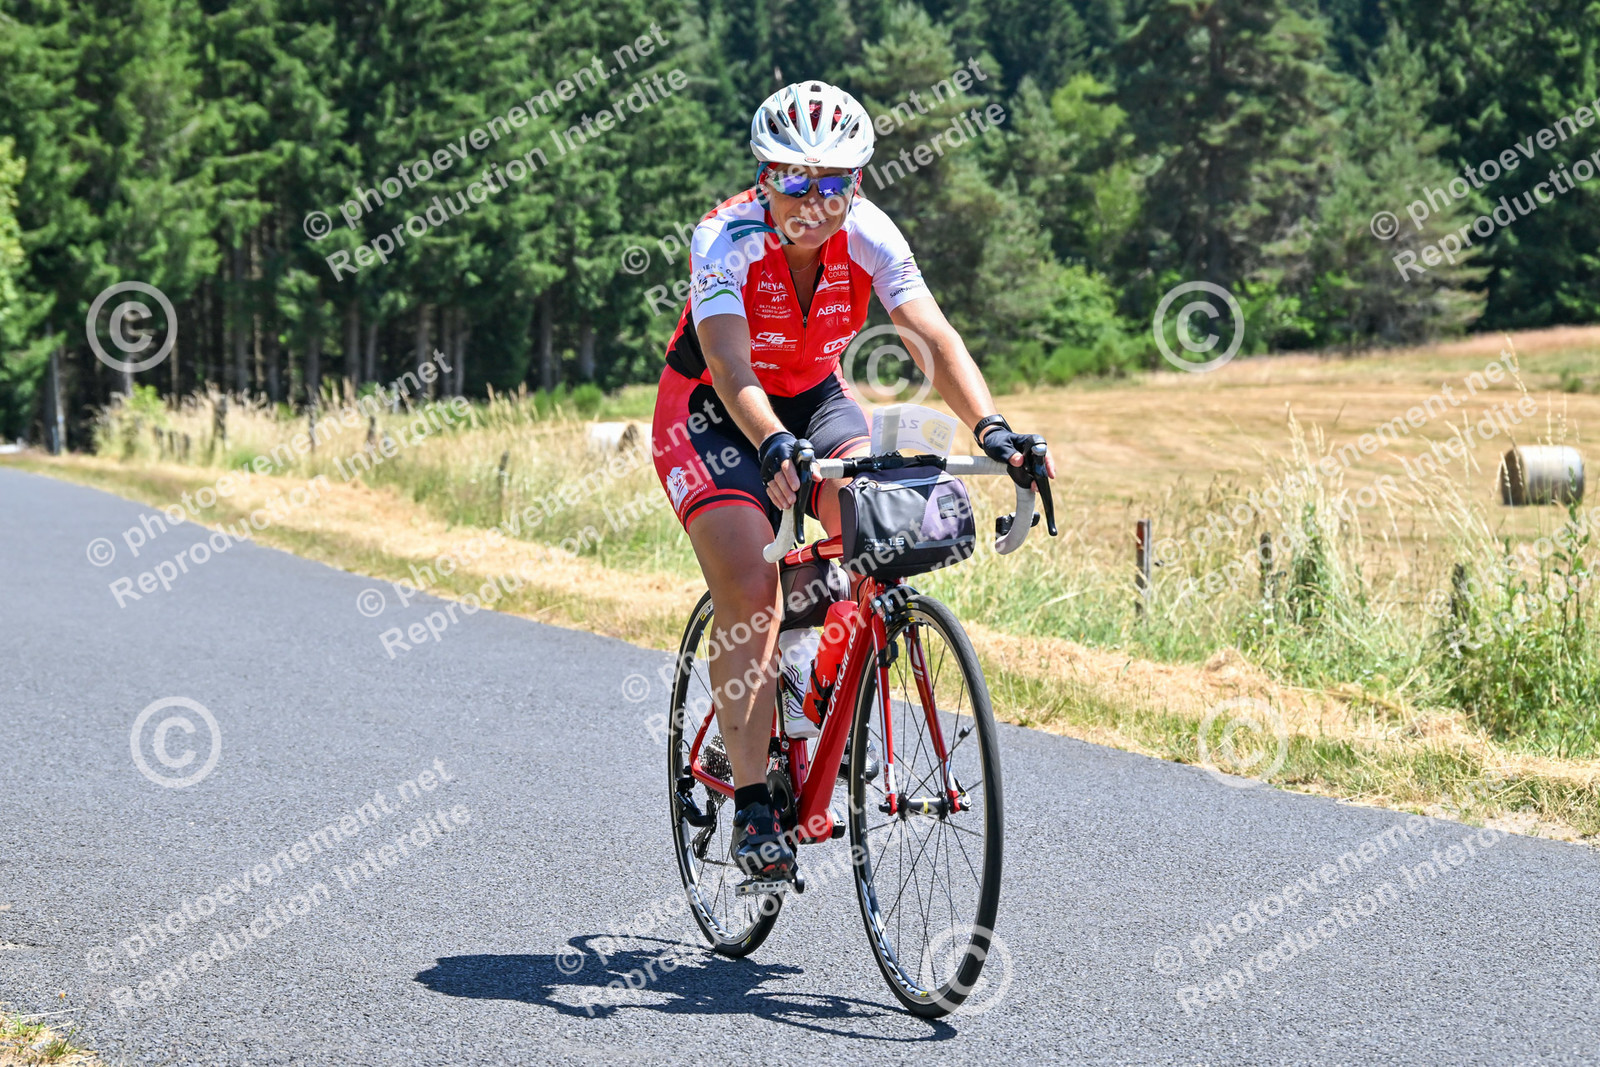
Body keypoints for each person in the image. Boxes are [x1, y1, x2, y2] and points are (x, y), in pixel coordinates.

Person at [650, 80, 1056, 881]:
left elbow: (933, 337)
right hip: (713, 412)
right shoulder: (723, 237)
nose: (813, 201)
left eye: (831, 182)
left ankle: (811, 682)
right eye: (792, 180)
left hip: (815, 396)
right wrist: (772, 443)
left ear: (857, 182)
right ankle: (755, 801)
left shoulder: (869, 231)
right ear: (763, 176)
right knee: (751, 585)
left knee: (881, 528)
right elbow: (728, 362)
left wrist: (993, 428)